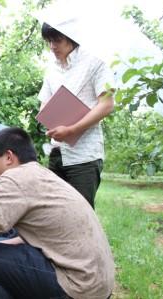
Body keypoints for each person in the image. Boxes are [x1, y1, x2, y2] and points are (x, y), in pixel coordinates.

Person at [0, 127, 115, 299]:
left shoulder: (13, 179)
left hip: (77, 288)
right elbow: (30, 238)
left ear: (8, 157)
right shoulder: (42, 175)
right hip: (98, 285)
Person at [38, 22, 115, 208]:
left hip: (84, 156)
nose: (52, 46)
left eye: (57, 40)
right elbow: (44, 104)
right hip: (57, 152)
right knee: (54, 213)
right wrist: (48, 119)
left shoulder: (95, 62)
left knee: (82, 214)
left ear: (71, 37)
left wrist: (72, 129)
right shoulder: (51, 69)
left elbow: (106, 104)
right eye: (49, 41)